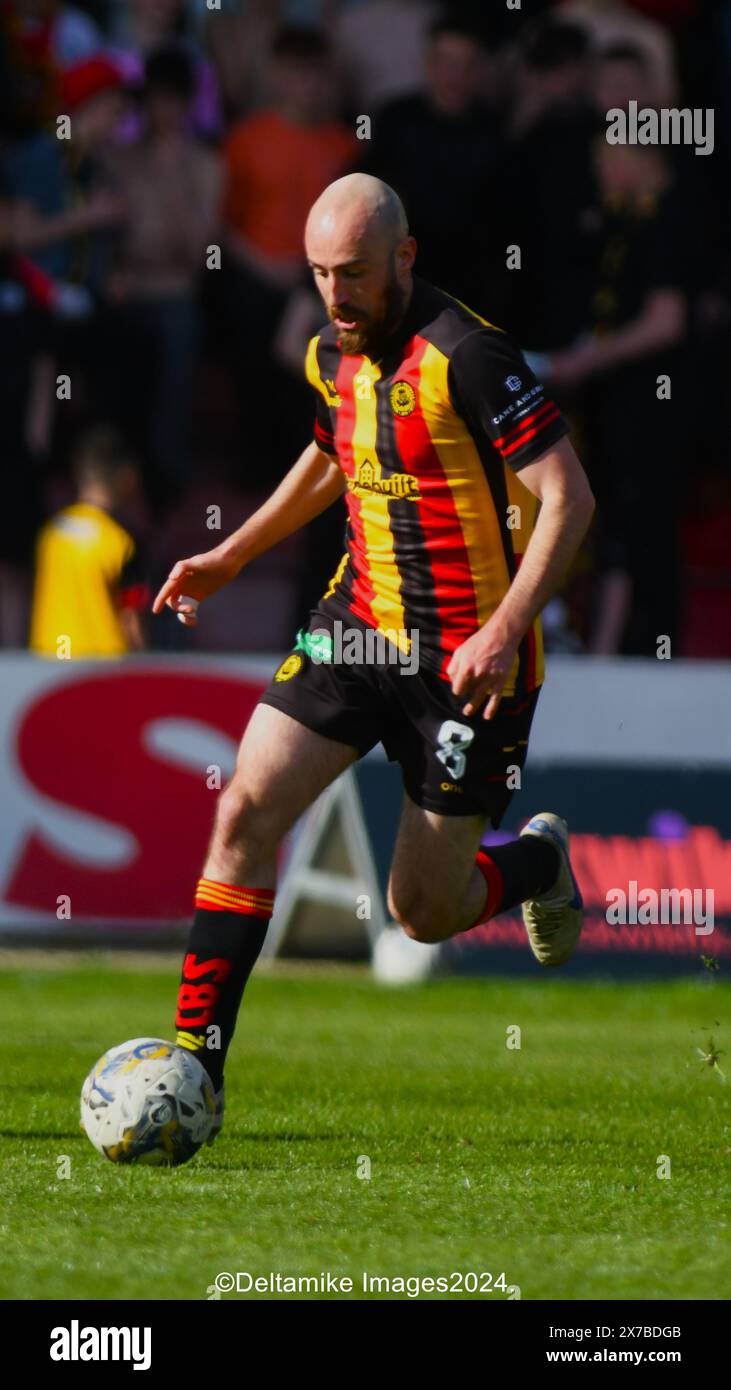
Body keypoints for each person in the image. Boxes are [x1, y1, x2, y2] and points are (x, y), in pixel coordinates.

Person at [153, 173, 595, 1142]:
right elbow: (330, 452)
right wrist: (232, 553)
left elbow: (568, 497)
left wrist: (507, 625)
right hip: (353, 629)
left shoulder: (470, 357)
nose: (334, 295)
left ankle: (536, 863)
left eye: (351, 272)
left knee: (421, 912)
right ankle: (195, 1069)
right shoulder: (330, 348)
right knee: (244, 809)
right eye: (318, 274)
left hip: (466, 663)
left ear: (404, 255)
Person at [30, 425, 149, 657]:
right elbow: (132, 619)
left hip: (46, 666)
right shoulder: (122, 540)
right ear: (128, 477)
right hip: (104, 673)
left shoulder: (51, 533)